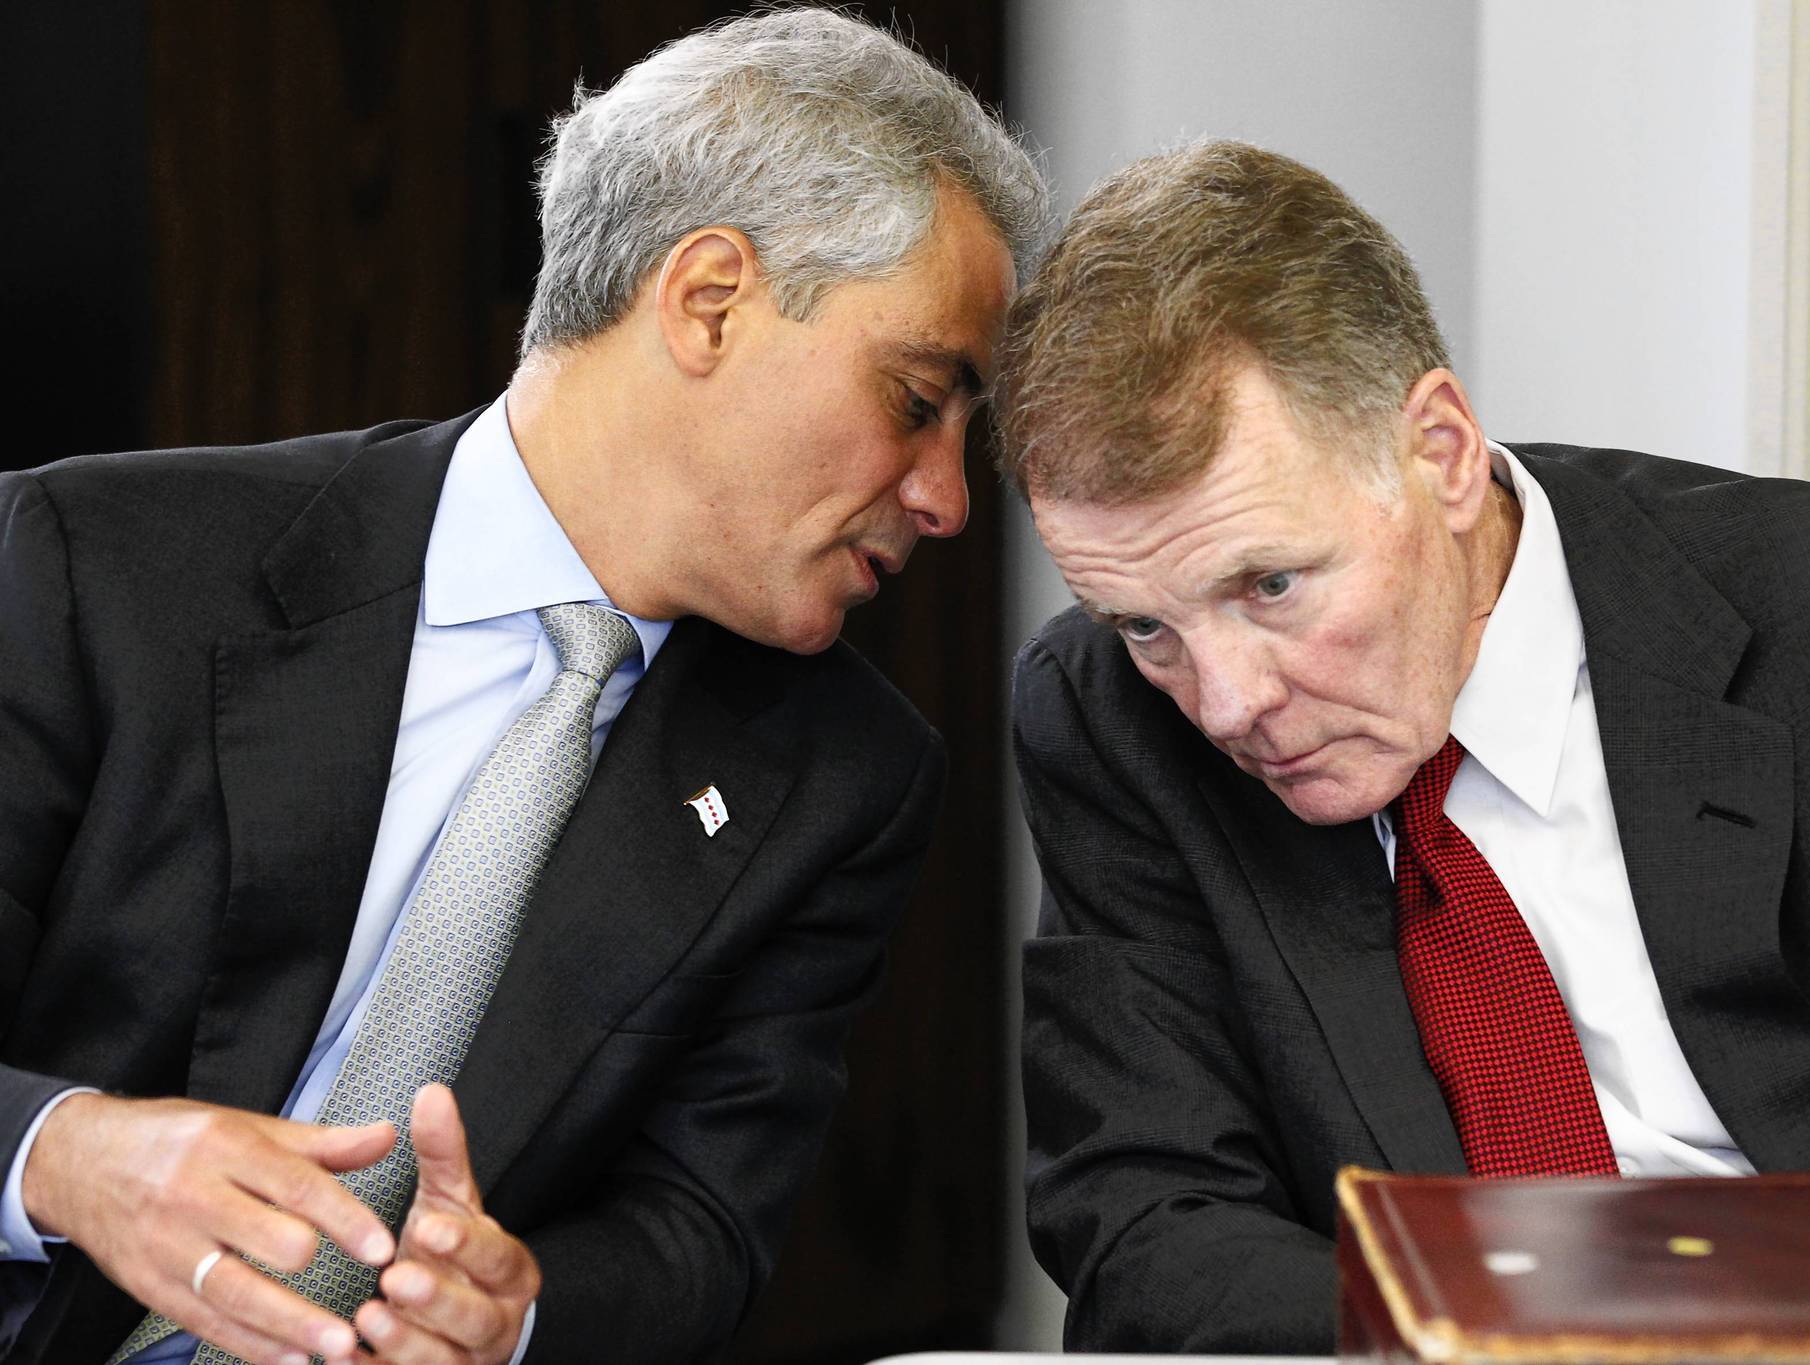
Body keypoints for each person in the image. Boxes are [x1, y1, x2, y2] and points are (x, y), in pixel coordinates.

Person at [0, 10, 1047, 1363]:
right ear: (709, 300)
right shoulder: (102, 571)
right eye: (918, 398)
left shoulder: (840, 777)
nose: (950, 499)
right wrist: (66, 1157)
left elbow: (699, 1230)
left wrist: (515, 1319)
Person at [996, 139, 1810, 1353]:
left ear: (1438, 454)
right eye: (1144, 624)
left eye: (1270, 584)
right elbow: (1141, 1222)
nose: (1226, 703)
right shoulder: (1106, 717)